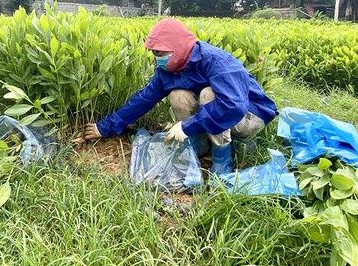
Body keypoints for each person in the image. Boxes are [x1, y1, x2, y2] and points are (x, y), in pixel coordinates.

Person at [83, 18, 278, 175]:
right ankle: (199, 145)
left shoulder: (216, 61)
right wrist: (104, 127)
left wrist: (187, 126)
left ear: (178, 47)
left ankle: (221, 158)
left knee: (209, 94)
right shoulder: (169, 69)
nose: (155, 58)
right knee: (178, 95)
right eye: (153, 53)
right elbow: (143, 99)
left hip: (250, 116)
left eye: (159, 52)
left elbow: (232, 106)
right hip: (221, 115)